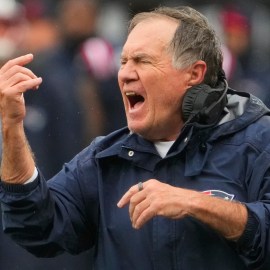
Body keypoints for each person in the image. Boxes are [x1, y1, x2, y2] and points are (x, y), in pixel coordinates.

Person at [0, 6, 270, 270]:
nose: (125, 74)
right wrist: (12, 128)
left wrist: (197, 202)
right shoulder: (104, 160)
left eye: (142, 61)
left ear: (194, 74)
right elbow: (33, 225)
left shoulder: (258, 142)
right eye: (123, 61)